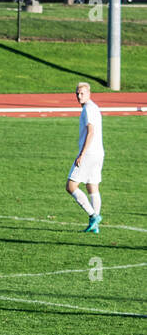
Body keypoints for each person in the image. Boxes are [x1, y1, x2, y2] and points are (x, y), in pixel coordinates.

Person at [67, 82, 104, 233]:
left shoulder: (88, 109)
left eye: (82, 93)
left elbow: (91, 131)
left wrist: (81, 154)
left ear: (89, 93)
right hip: (99, 153)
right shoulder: (94, 107)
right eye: (77, 93)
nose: (79, 96)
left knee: (70, 186)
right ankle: (95, 226)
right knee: (92, 187)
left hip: (88, 153)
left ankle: (93, 216)